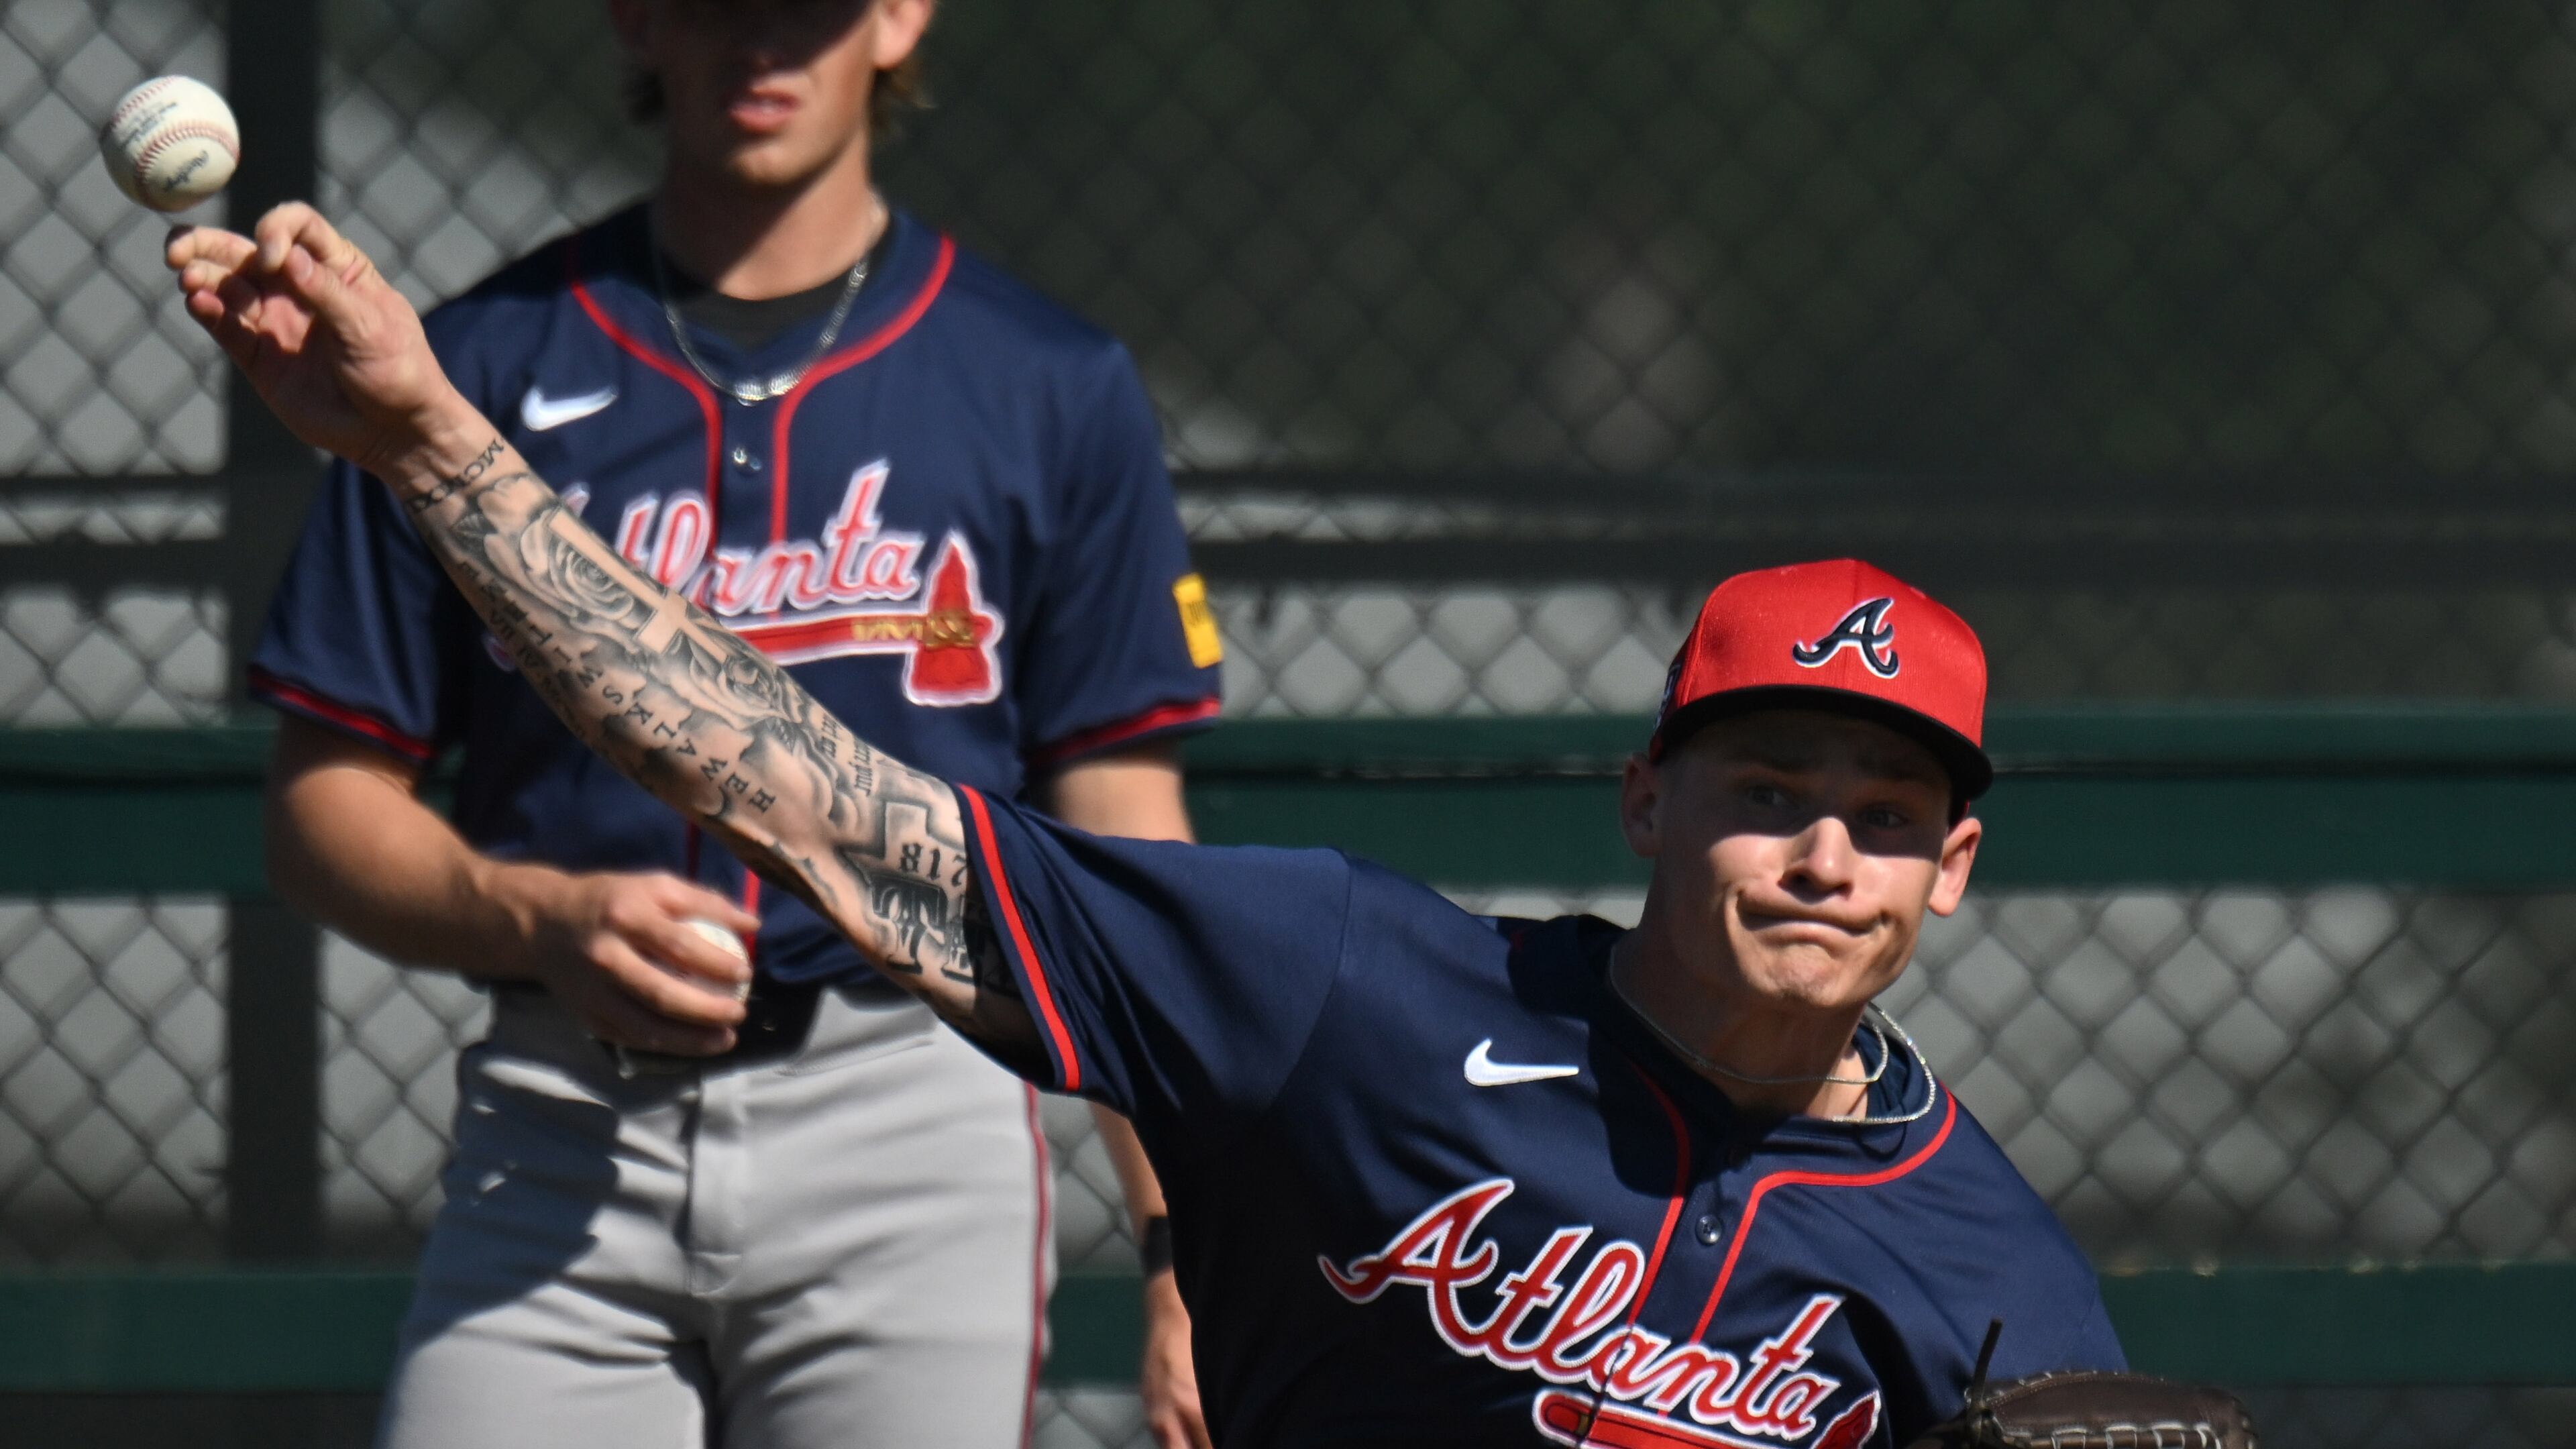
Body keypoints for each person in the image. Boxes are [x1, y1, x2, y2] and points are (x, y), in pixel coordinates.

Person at [174, 203, 2129, 1448]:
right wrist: (435, 448)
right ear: (1646, 796)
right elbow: (805, 793)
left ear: (1955, 867)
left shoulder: (1995, 1278)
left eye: (1884, 816)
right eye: (1767, 793)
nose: (1818, 858)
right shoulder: (1352, 987)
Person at [237, 3, 1216, 1444]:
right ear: (637, 16)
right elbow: (321, 809)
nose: (760, 42)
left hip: (910, 1101)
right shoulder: (458, 377)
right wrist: (534, 915)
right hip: (564, 1112)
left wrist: (1182, 1237)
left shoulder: (1048, 384)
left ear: (895, 18)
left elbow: (1123, 834)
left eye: (805, 6)